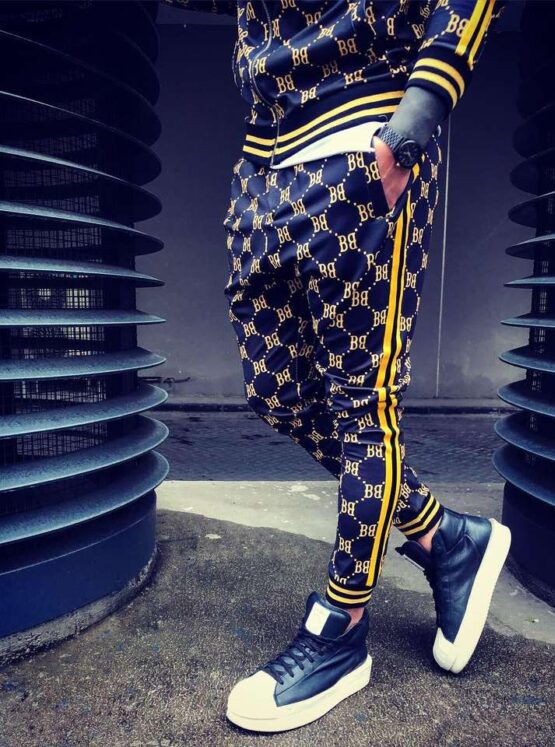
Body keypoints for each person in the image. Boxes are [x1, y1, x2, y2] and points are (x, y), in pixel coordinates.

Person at [166, 0, 510, 733]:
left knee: (363, 407)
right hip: (263, 162)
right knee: (277, 394)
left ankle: (341, 629)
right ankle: (444, 536)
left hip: (365, 135)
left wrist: (414, 121)